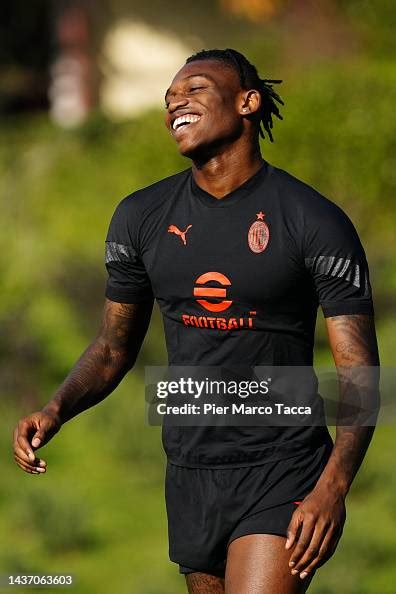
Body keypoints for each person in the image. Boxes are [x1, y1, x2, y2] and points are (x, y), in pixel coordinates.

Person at [13, 48, 380, 594]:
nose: (176, 104)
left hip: (283, 468)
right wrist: (55, 408)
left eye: (196, 90)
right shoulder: (141, 217)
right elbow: (113, 348)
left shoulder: (312, 220)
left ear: (248, 102)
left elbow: (359, 371)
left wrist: (333, 487)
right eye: (169, 99)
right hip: (189, 471)